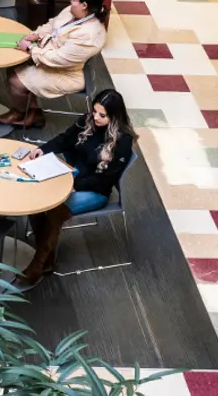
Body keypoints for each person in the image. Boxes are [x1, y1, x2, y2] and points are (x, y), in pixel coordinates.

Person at [15, 89, 135, 288]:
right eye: (94, 111)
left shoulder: (123, 141)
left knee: (55, 210)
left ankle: (38, 264)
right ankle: (47, 260)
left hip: (96, 190)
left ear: (114, 116)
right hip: (72, 175)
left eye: (102, 115)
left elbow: (105, 179)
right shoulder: (88, 120)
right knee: (37, 199)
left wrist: (73, 186)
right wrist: (42, 149)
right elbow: (65, 138)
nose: (95, 117)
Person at [0, 0, 107, 130]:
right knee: (12, 64)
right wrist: (37, 34)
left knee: (15, 81)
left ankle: (22, 113)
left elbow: (58, 59)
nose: (69, 1)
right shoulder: (72, 11)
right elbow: (52, 25)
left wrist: (30, 49)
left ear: (84, 5)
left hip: (67, 72)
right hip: (47, 55)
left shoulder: (90, 36)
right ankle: (32, 112)